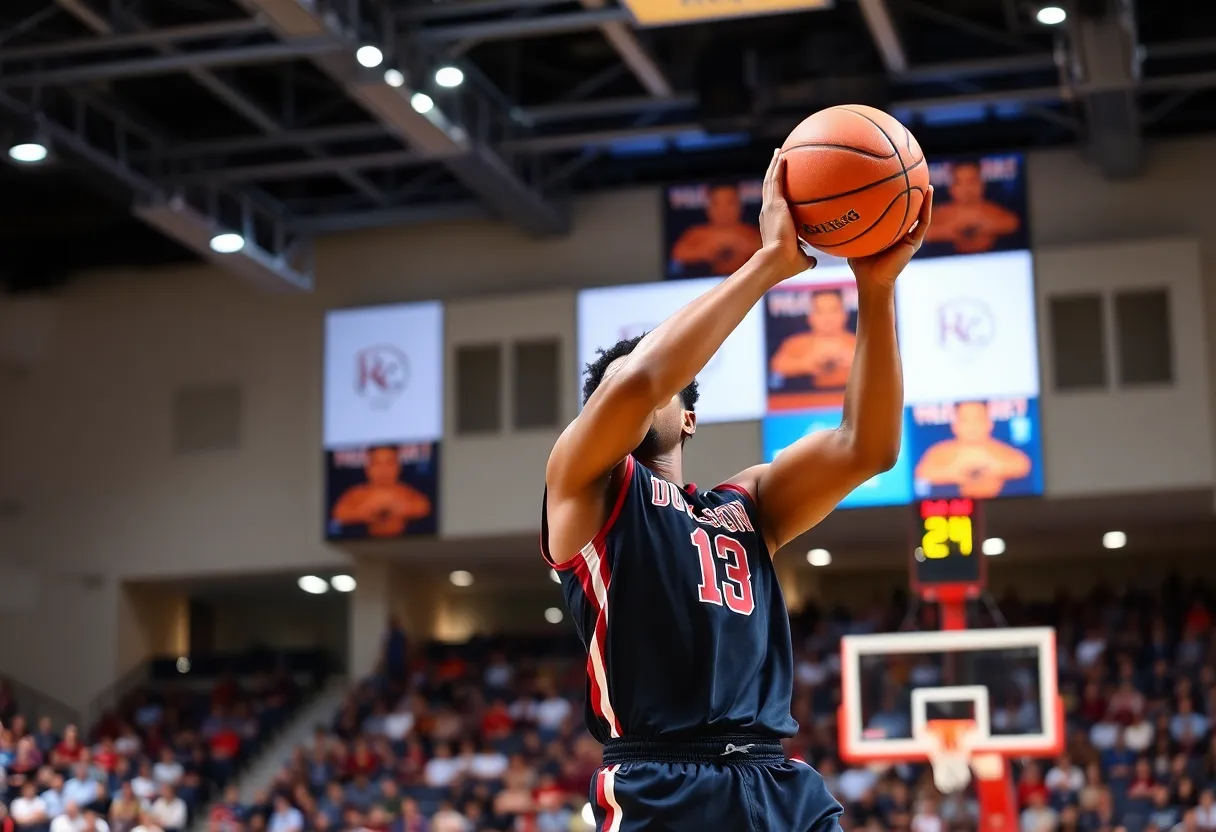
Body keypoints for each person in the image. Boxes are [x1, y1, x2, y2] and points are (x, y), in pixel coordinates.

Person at [542, 148, 933, 830]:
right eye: (618, 387)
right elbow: (634, 384)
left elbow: (866, 447)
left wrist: (875, 288)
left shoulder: (744, 505)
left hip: (776, 780)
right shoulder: (587, 486)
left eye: (663, 386)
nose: (636, 389)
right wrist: (772, 263)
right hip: (659, 782)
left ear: (689, 416)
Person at [913, 401, 1032, 498]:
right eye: (965, 420)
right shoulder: (940, 452)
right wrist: (953, 473)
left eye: (978, 419)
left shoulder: (1003, 451)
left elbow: (1024, 465)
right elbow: (922, 472)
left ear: (989, 423)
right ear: (955, 425)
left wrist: (994, 468)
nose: (972, 426)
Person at [330, 447, 432, 538]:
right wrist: (364, 511)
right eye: (376, 463)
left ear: (398, 467)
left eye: (389, 463)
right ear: (367, 468)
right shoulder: (357, 493)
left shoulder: (406, 491)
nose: (383, 470)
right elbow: (339, 513)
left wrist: (400, 508)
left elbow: (424, 506)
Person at [769, 288, 857, 393]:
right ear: (811, 317)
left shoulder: (858, 343)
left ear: (844, 314)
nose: (827, 318)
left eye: (833, 310)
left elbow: (877, 370)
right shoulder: (795, 343)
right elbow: (776, 367)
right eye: (820, 311)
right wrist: (805, 364)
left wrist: (854, 363)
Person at [924, 160, 1020, 255]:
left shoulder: (996, 212)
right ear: (951, 187)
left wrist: (985, 227)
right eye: (960, 182)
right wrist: (949, 231)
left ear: (981, 184)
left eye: (972, 181)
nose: (967, 189)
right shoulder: (938, 214)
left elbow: (1013, 223)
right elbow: (922, 233)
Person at [669, 183, 764, 277]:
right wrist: (705, 251)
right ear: (708, 207)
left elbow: (769, 251)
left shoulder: (751, 232)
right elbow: (676, 257)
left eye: (730, 203)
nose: (723, 210)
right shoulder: (696, 234)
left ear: (739, 205)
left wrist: (743, 246)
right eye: (716, 203)